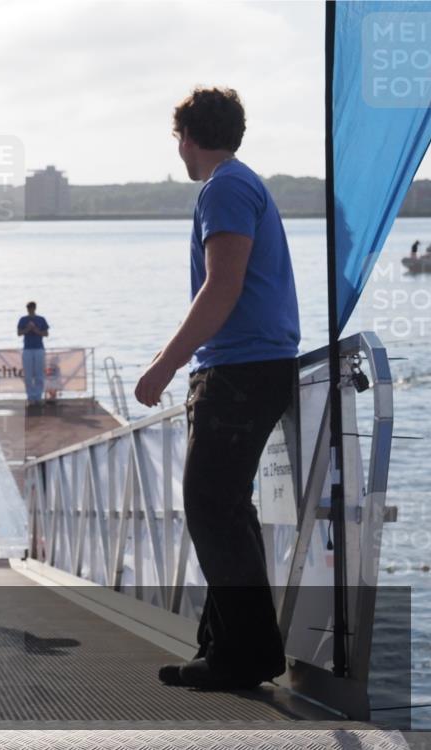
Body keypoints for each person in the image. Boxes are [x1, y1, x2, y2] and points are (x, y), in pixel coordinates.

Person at [135, 87, 300, 690]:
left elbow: (221, 288)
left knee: (211, 508)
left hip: (240, 371)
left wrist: (164, 367)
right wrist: (172, 358)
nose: (177, 149)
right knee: (227, 509)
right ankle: (224, 647)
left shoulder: (224, 187)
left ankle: (247, 655)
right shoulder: (240, 184)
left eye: (176, 138)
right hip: (248, 367)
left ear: (188, 137)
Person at [17, 301, 49, 405]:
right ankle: (30, 397)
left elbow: (46, 333)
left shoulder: (41, 319)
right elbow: (19, 333)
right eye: (29, 308)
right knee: (28, 375)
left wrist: (35, 329)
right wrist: (27, 328)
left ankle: (38, 397)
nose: (30, 310)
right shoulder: (23, 319)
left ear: (35, 308)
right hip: (27, 349)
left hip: (39, 348)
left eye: (31, 308)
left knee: (39, 374)